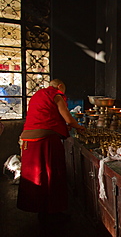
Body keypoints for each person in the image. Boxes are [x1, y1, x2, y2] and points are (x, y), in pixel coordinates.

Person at [17, 79, 85, 222]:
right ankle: (53, 212)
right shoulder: (56, 95)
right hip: (45, 141)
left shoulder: (38, 94)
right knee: (53, 175)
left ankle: (41, 210)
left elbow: (45, 116)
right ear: (60, 86)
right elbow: (68, 117)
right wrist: (80, 127)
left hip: (27, 142)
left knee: (36, 177)